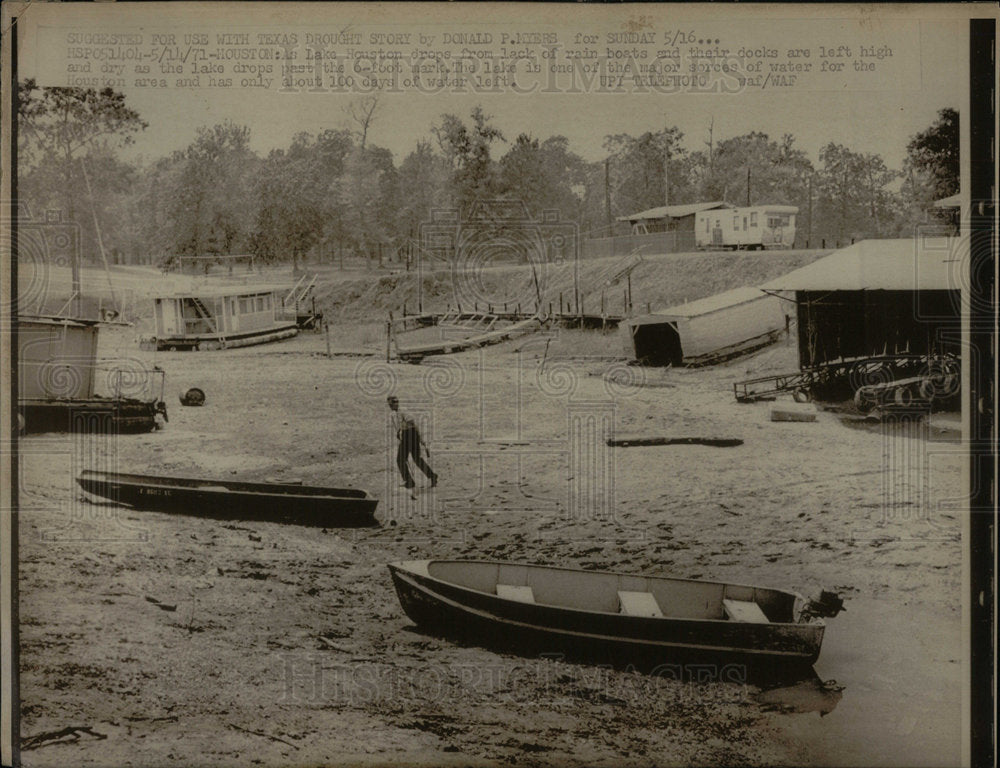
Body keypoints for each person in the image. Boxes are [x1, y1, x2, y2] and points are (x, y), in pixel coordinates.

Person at [387, 396, 438, 489]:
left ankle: (415, 480)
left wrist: (421, 439)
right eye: (389, 405)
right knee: (406, 459)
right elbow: (403, 425)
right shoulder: (397, 412)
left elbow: (414, 425)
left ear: (396, 403)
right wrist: (399, 432)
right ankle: (415, 480)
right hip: (407, 435)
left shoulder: (403, 411)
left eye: (391, 404)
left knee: (406, 459)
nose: (390, 406)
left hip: (411, 435)